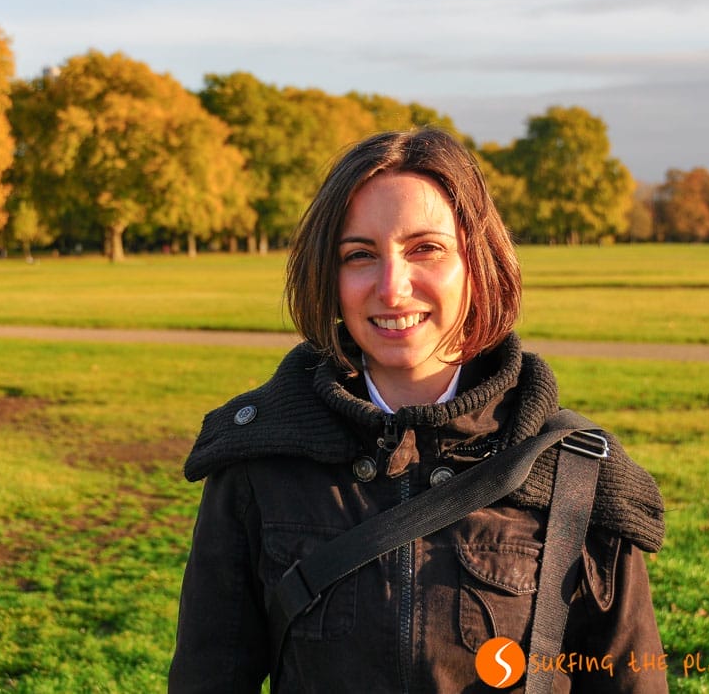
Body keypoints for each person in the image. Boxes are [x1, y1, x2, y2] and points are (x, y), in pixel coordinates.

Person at [169, 128, 666, 693]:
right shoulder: (258, 461)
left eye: (425, 249)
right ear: (328, 278)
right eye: (359, 255)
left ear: (478, 263)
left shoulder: (578, 474)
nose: (391, 286)